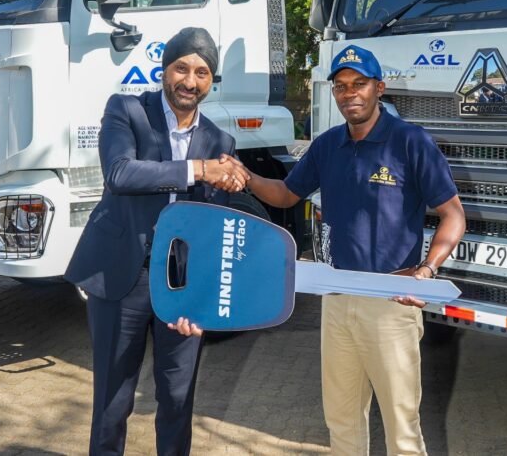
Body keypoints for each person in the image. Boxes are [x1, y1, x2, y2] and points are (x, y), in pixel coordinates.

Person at [177, 44, 466, 455]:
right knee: (342, 421)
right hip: (335, 298)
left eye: (360, 84)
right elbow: (286, 194)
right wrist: (248, 176)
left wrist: (427, 270)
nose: (350, 93)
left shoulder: (410, 142)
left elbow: (453, 215)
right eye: (341, 86)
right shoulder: (328, 145)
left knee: (402, 429)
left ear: (379, 88)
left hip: (390, 300)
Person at [65, 27, 247, 456]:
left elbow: (211, 230)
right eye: (181, 68)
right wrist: (198, 170)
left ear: (211, 80)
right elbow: (120, 174)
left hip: (180, 288)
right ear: (164, 70)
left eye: (202, 73)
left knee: (177, 400)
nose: (190, 81)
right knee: (112, 401)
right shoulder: (127, 110)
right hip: (120, 277)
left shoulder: (222, 142)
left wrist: (202, 300)